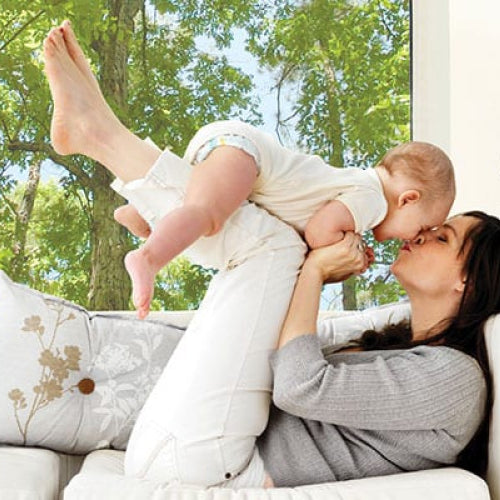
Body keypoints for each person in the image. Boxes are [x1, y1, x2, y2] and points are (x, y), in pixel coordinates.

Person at [42, 21, 499, 489]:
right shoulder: (402, 347)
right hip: (199, 444)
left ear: (469, 280)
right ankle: (104, 140)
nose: (419, 236)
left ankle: (107, 142)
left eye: (441, 238)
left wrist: (316, 270)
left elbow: (299, 385)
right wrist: (314, 269)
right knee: (270, 238)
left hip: (212, 464)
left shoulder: (456, 380)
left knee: (277, 244)